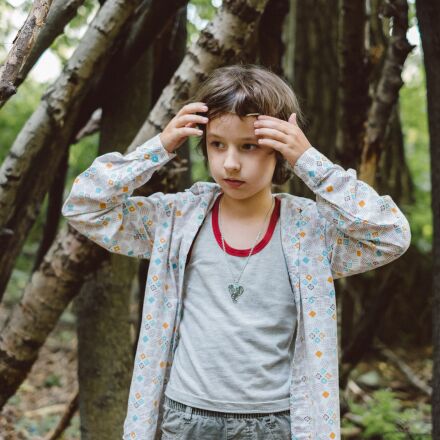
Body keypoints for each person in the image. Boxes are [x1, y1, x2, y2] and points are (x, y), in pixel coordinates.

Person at [61, 64, 411, 440]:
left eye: (249, 146)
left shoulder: (309, 233)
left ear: (280, 150)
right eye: (217, 144)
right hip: (186, 418)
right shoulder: (176, 220)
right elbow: (84, 206)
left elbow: (391, 234)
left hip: (275, 422)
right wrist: (158, 148)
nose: (230, 162)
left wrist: (310, 162)